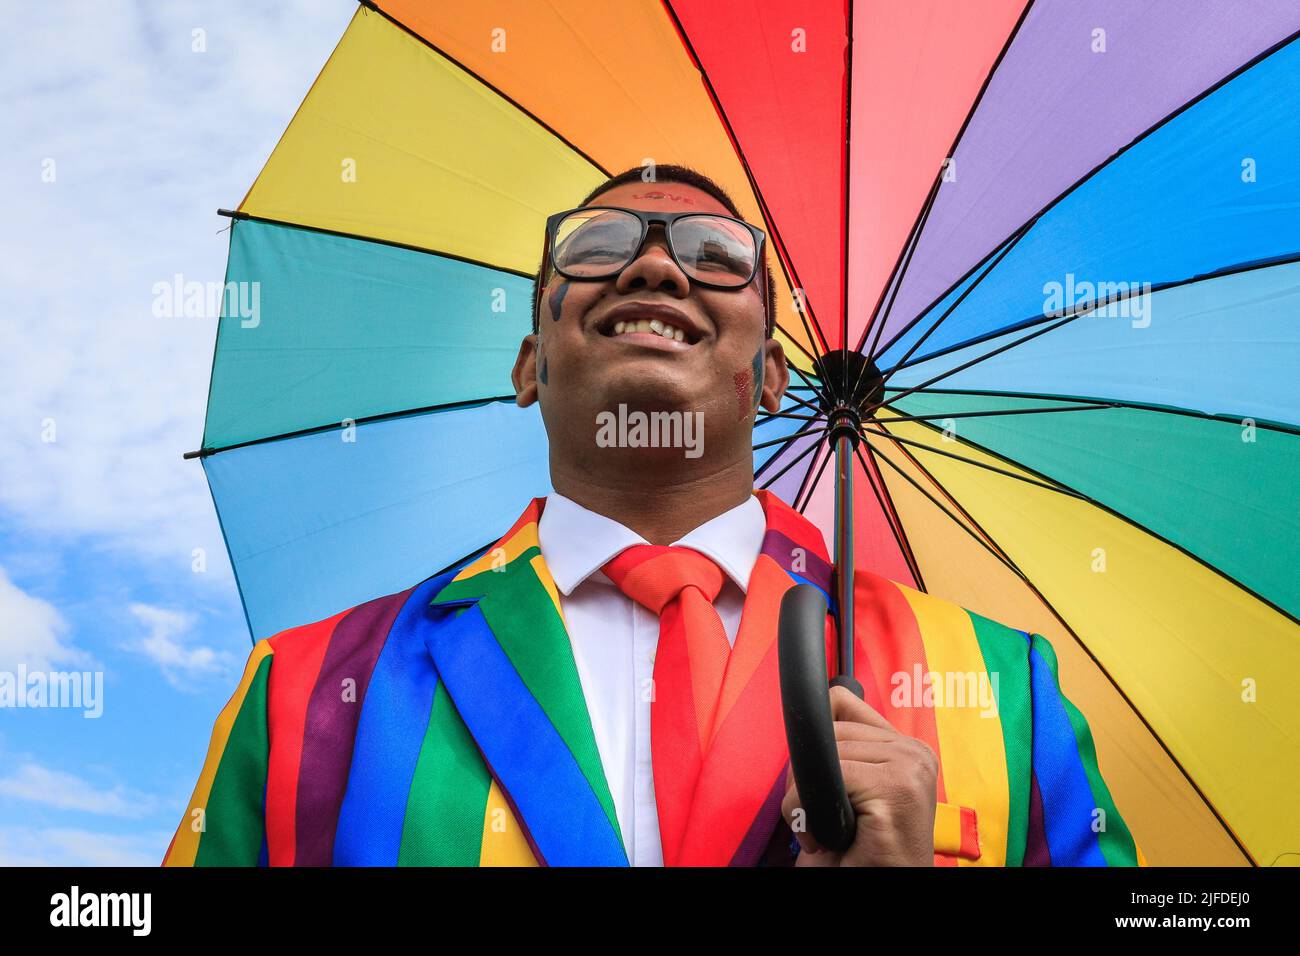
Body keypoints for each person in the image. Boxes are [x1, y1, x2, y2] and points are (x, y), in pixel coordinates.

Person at [164, 164, 1142, 867]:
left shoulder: (1002, 684)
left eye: (716, 256)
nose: (656, 269)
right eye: (595, 248)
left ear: (769, 377)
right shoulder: (299, 690)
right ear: (526, 364)